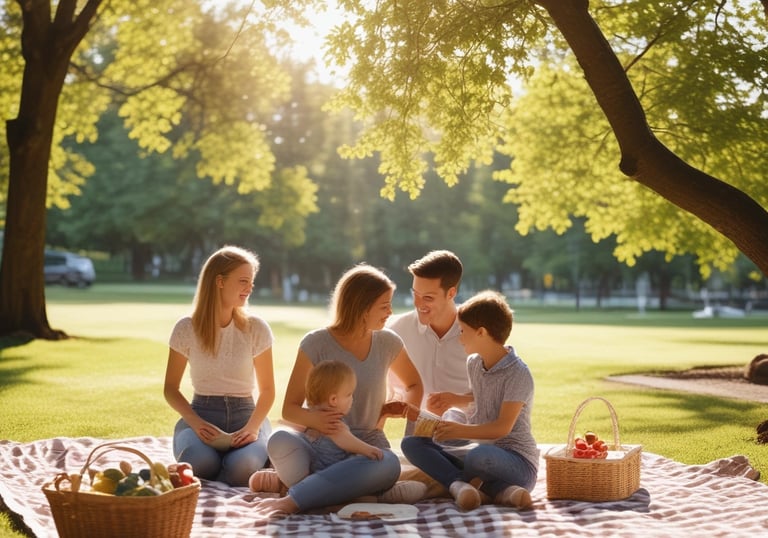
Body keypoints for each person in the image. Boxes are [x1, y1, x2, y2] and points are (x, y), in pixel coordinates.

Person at [253, 263, 424, 515]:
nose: (390, 311)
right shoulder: (316, 343)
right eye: (384, 305)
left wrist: (387, 416)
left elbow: (414, 385)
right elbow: (290, 409)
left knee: (389, 465)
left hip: (365, 445)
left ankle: (294, 497)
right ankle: (351, 494)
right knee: (279, 440)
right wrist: (317, 420)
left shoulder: (388, 342)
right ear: (362, 307)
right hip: (319, 445)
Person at [401, 290, 538, 511]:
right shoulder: (475, 363)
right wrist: (454, 400)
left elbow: (501, 429)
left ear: (482, 332)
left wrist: (459, 430)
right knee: (411, 443)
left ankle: (454, 483)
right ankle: (479, 488)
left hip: (517, 463)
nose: (459, 337)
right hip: (483, 454)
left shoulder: (518, 374)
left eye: (463, 331)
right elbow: (483, 394)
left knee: (478, 456)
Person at [164, 245, 275, 487]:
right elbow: (170, 389)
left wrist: (253, 428)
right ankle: (217, 464)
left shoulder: (256, 328)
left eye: (251, 282)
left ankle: (238, 463)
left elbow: (268, 391)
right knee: (199, 463)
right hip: (202, 414)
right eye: (243, 281)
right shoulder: (186, 328)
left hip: (246, 417)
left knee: (242, 469)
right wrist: (196, 423)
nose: (250, 288)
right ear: (220, 281)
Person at [387, 250, 471, 416]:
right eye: (415, 294)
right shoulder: (397, 330)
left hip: (472, 434)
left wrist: (458, 400)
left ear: (451, 293)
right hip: (421, 436)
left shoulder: (477, 330)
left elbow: (497, 394)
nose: (418, 304)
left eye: (428, 298)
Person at [301, 360, 385, 470]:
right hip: (329, 469)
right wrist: (369, 450)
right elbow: (345, 439)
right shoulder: (331, 420)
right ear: (333, 399)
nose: (352, 398)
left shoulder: (312, 414)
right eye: (349, 394)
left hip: (315, 466)